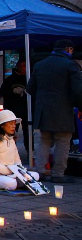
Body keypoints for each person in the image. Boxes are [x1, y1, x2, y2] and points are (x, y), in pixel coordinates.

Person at [26, 39, 82, 184]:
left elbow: (30, 89)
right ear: (69, 49)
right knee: (62, 142)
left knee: (44, 141)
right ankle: (58, 174)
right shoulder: (71, 65)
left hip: (43, 112)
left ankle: (40, 172)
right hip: (63, 112)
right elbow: (77, 91)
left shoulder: (40, 65)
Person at [0, 110, 40, 190]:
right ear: (2, 125)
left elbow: (17, 160)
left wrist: (20, 172)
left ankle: (17, 182)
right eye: (10, 123)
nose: (14, 126)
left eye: (14, 123)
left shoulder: (11, 140)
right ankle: (17, 183)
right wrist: (10, 172)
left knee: (36, 175)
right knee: (11, 184)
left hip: (10, 174)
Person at [0, 59, 30, 153]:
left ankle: (30, 151)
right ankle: (10, 151)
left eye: (24, 66)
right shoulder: (9, 80)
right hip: (12, 110)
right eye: (20, 66)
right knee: (11, 132)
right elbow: (2, 92)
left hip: (26, 109)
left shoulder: (29, 79)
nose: (22, 68)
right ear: (17, 66)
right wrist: (12, 92)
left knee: (28, 132)